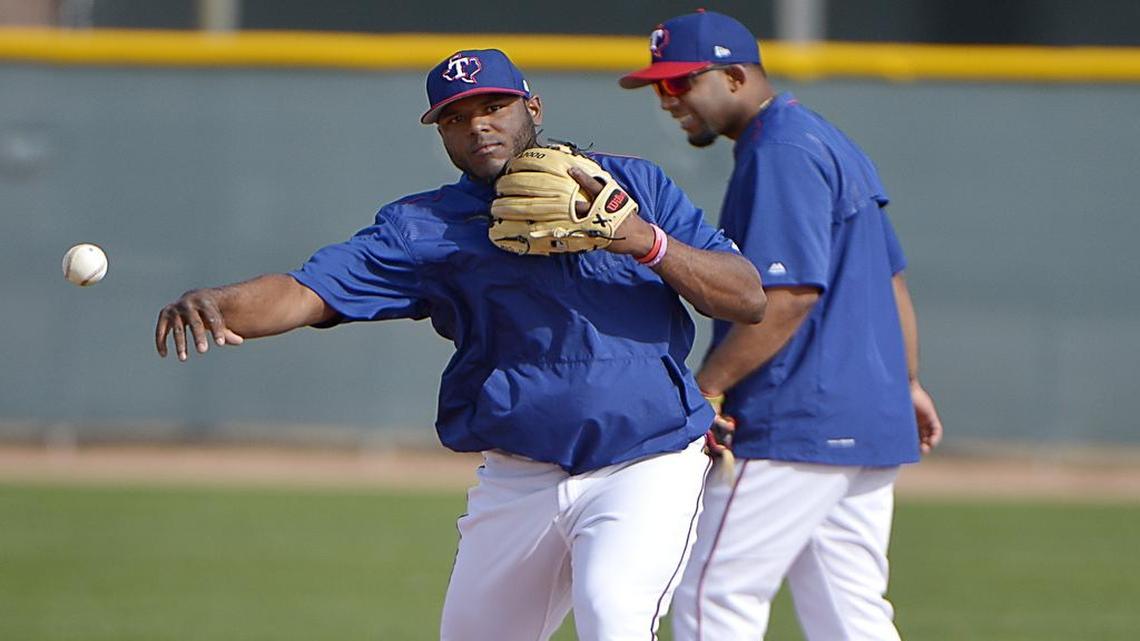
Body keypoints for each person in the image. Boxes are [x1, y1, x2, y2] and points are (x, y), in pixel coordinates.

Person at [154, 48, 765, 641]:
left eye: (493, 105)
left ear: (533, 106)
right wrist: (217, 302)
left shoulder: (631, 183)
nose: (478, 126)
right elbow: (306, 291)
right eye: (455, 116)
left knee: (613, 617)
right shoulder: (425, 228)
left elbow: (746, 297)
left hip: (647, 459)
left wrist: (641, 240)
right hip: (520, 473)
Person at [620, 10, 944, 641]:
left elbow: (788, 297)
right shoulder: (823, 139)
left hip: (796, 419)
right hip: (862, 419)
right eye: (659, 86)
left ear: (735, 76)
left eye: (680, 83)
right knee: (850, 614)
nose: (668, 100)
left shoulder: (780, 151)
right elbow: (889, 277)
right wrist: (904, 384)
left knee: (711, 597)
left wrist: (706, 387)